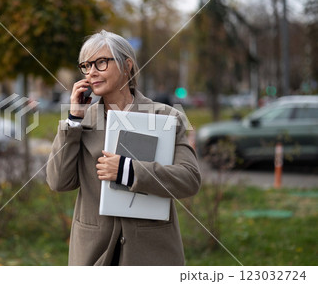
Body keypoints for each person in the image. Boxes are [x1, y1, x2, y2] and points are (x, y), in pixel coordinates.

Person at [46, 30, 201, 266]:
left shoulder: (165, 117)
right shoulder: (81, 122)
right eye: (86, 66)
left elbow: (189, 179)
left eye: (101, 62)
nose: (92, 72)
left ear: (127, 66)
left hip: (151, 254)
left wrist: (126, 170)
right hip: (93, 254)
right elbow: (58, 181)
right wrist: (73, 119)